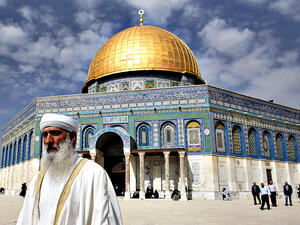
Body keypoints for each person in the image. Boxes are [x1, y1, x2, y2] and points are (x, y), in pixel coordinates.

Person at [16, 113, 123, 225]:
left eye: (55, 133)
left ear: (72, 138)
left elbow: (105, 219)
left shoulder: (93, 175)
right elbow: (26, 218)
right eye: (45, 134)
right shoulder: (38, 179)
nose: (48, 141)